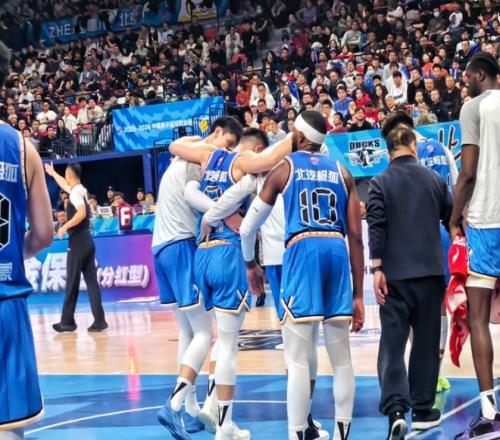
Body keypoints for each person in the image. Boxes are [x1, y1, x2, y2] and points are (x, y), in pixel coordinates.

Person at [239, 111, 365, 440]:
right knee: (342, 360)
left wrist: (250, 263)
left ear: (298, 135)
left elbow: (248, 227)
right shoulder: (343, 172)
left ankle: (296, 434)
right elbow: (356, 236)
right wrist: (358, 295)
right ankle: (342, 434)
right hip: (336, 250)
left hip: (303, 249)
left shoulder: (285, 167)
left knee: (296, 360)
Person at [168, 124, 298, 440]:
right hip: (228, 253)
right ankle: (224, 425)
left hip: (202, 253)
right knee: (226, 344)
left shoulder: (207, 155)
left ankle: (205, 405)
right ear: (256, 149)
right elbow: (272, 159)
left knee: (209, 336)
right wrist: (297, 136)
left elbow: (175, 150)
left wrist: (210, 214)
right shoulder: (245, 164)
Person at [154, 117, 244, 439]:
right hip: (180, 245)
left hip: (160, 247)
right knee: (206, 331)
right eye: (228, 144)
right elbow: (195, 197)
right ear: (216, 134)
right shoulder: (198, 161)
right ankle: (175, 404)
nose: (228, 153)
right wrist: (222, 214)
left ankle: (191, 412)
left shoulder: (182, 155)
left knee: (188, 330)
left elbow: (176, 145)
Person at [367, 124, 453, 439]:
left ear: (389, 151)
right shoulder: (435, 180)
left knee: (392, 343)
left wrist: (377, 267)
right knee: (426, 344)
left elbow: (376, 225)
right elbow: (451, 217)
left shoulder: (379, 182)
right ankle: (423, 410)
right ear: (413, 146)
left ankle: (396, 411)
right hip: (430, 273)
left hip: (394, 276)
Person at [381, 110, 458, 394]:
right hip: (442, 231)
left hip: (411, 235)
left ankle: (422, 375)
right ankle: (435, 373)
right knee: (438, 306)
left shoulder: (397, 157)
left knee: (411, 307)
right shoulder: (442, 149)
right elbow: (455, 188)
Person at [0, 41, 54, 440]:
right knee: (10, 426)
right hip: (6, 301)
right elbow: (45, 234)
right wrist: (14, 256)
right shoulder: (22, 148)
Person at [450, 52, 500, 440]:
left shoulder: (474, 107)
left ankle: (488, 410)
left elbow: (467, 173)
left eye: (467, 76)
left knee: (479, 318)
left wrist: (454, 216)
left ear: (479, 75)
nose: (463, 83)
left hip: (488, 220)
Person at [44, 162, 108, 333]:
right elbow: (64, 185)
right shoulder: (80, 190)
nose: (65, 177)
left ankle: (67, 322)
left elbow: (81, 213)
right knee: (92, 283)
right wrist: (53, 173)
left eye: (66, 174)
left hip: (78, 242)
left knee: (72, 282)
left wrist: (64, 227)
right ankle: (100, 320)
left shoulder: (75, 194)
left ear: (70, 175)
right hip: (87, 241)